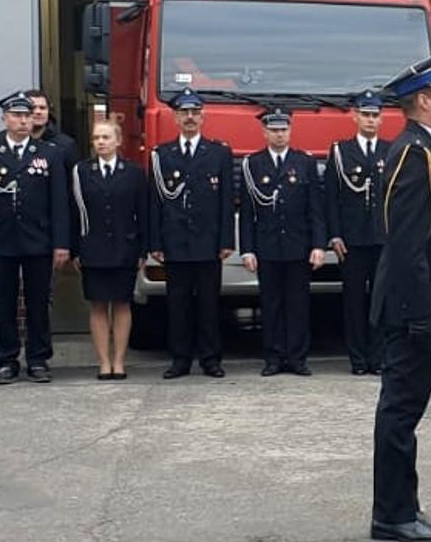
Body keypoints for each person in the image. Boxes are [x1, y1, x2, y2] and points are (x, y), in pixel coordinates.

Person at [370, 52, 431, 542]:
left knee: (406, 414)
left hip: (425, 306)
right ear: (423, 101)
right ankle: (392, 515)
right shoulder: (414, 155)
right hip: (413, 310)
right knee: (399, 413)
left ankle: (404, 507)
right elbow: (407, 246)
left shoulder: (429, 150)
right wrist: (420, 316)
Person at [0, 88, 75, 377]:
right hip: (1, 240)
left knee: (38, 304)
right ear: (5, 118)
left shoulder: (49, 154)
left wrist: (61, 244)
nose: (23, 121)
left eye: (27, 116)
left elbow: (59, 203)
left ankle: (38, 359)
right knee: (3, 304)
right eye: (17, 115)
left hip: (38, 240)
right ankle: (6, 360)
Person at [149, 89, 235, 379]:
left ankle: (211, 359)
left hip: (209, 242)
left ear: (202, 117)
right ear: (175, 118)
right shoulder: (162, 155)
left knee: (210, 304)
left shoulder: (219, 153)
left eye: (195, 113)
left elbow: (226, 200)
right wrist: (156, 242)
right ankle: (180, 359)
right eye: (184, 113)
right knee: (178, 304)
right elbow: (155, 202)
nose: (189, 117)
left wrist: (226, 240)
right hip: (174, 241)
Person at [240, 108, 327, 377]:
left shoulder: (305, 162)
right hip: (267, 247)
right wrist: (247, 249)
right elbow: (247, 212)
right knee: (271, 305)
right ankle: (273, 358)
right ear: (264, 132)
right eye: (274, 130)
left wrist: (318, 245)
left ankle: (298, 358)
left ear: (290, 131)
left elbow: (315, 208)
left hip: (298, 246)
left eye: (283, 130)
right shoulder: (252, 164)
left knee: (298, 305)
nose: (279, 135)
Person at [73, 119, 147, 381]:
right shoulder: (82, 171)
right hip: (93, 248)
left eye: (106, 137)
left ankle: (119, 361)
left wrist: (144, 249)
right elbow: (74, 213)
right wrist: (75, 249)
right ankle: (104, 362)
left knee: (122, 303)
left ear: (118, 141)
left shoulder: (134, 172)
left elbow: (143, 212)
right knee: (98, 305)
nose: (101, 142)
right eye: (96, 138)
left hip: (125, 247)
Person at [327, 91, 391, 376]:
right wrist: (335, 235)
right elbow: (331, 198)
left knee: (381, 300)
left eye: (375, 115)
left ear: (381, 119)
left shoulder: (391, 151)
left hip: (382, 238)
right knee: (353, 301)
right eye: (365, 115)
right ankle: (357, 359)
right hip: (351, 240)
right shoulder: (340, 151)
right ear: (355, 117)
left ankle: (378, 358)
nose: (370, 120)